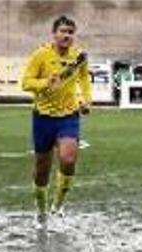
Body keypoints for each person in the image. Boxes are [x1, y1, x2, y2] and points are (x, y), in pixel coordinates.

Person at [21, 15, 92, 230]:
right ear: (54, 34)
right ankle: (41, 210)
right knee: (42, 168)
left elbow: (84, 78)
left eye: (70, 32)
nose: (67, 35)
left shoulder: (79, 56)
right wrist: (45, 83)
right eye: (63, 31)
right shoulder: (40, 55)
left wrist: (86, 100)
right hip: (43, 117)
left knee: (68, 159)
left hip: (68, 116)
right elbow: (26, 83)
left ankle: (58, 207)